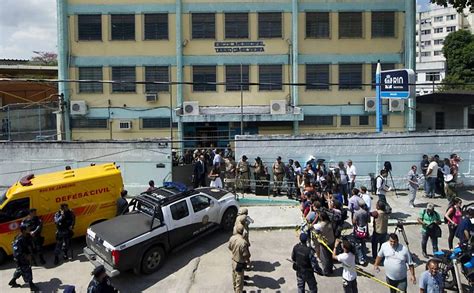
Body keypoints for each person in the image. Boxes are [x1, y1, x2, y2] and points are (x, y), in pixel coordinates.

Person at [8, 225, 40, 291]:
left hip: (25, 256)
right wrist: (26, 256)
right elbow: (16, 252)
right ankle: (32, 285)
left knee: (20, 269)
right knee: (27, 269)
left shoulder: (27, 235)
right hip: (21, 258)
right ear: (24, 230)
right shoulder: (19, 239)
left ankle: (13, 281)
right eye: (28, 228)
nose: (29, 229)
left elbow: (30, 242)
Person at [228, 224, 251, 293]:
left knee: (234, 277)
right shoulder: (243, 242)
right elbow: (246, 255)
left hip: (233, 260)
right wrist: (248, 261)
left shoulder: (232, 238)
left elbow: (229, 247)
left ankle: (235, 289)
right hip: (239, 263)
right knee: (239, 281)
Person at [353, 198, 369, 265]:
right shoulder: (366, 212)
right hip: (365, 229)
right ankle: (364, 257)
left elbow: (354, 222)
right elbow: (369, 221)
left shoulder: (356, 213)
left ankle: (360, 258)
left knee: (358, 244)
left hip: (358, 230)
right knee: (363, 243)